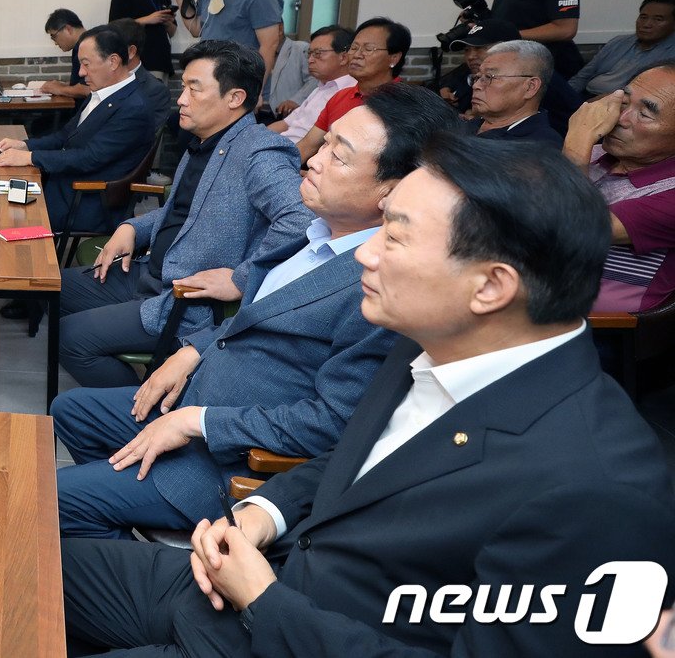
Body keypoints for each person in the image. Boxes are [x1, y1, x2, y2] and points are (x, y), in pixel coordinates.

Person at [62, 135, 675, 657]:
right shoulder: (430, 341)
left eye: (396, 237)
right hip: (249, 586)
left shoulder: (596, 492)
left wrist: (266, 602)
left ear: (491, 285)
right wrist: (262, 515)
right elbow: (355, 457)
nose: (367, 254)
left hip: (284, 624)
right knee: (20, 567)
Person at [53, 83, 456, 539]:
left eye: (338, 156)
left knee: (52, 497)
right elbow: (253, 320)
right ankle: (122, 523)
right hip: (204, 395)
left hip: (229, 457)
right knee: (71, 411)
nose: (313, 160)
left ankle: (136, 557)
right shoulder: (314, 234)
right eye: (324, 143)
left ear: (396, 189)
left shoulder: (378, 287)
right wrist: (191, 353)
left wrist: (201, 422)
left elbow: (333, 425)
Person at [57, 40, 311, 388]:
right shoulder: (206, 141)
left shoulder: (260, 150)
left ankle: (142, 407)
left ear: (235, 98)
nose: (181, 99)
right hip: (150, 271)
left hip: (182, 300)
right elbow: (188, 214)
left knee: (70, 338)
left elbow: (303, 219)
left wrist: (242, 278)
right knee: (49, 288)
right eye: (183, 87)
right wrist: (132, 228)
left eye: (194, 88)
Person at [0, 25, 153, 235]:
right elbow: (64, 136)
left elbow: (90, 157)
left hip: (87, 200)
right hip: (66, 185)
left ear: (113, 61)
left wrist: (30, 157)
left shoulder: (134, 107)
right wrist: (24, 145)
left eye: (86, 64)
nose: (80, 72)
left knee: (2, 217)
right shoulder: (103, 93)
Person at [563, 62, 675, 313]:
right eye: (623, 104)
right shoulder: (594, 154)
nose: (619, 120)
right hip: (534, 304)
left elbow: (573, 228)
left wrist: (577, 139)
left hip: (603, 331)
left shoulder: (579, 151)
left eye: (644, 114)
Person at [437, 17, 581, 134]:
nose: (471, 56)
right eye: (467, 50)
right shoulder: (477, 69)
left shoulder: (537, 79)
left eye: (480, 48)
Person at [295, 17, 409, 163]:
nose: (357, 55)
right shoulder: (340, 97)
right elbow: (307, 146)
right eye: (354, 48)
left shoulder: (405, 103)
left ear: (394, 58)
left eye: (368, 49)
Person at [570, 0, 675, 98]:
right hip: (583, 96)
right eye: (643, 17)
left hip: (617, 104)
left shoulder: (671, 55)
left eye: (658, 19)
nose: (646, 24)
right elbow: (583, 76)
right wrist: (568, 94)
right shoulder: (619, 42)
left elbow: (646, 96)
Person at [465, 40, 562, 148]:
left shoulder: (539, 146)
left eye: (489, 77)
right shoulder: (465, 126)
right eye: (477, 77)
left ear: (530, 87)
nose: (476, 86)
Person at [268, 25, 355, 142]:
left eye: (318, 53)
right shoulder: (321, 88)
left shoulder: (350, 92)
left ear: (343, 57)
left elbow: (314, 144)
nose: (310, 60)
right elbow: (285, 124)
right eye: (309, 53)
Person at [108, 18, 174, 129]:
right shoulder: (102, 79)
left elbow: (145, 137)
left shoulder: (155, 91)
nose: (104, 53)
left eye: (110, 48)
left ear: (131, 52)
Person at [42, 8, 91, 99]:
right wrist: (64, 85)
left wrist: (58, 89)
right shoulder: (80, 45)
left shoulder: (88, 47)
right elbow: (81, 82)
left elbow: (87, 88)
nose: (55, 43)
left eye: (54, 36)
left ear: (68, 29)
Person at [263, 36, 313, 120]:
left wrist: (296, 100)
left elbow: (314, 80)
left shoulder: (301, 48)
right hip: (258, 111)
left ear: (280, 29)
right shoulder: (256, 51)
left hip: (286, 114)